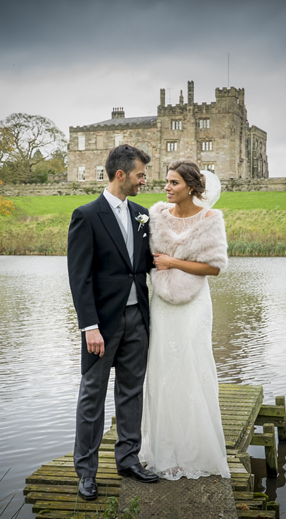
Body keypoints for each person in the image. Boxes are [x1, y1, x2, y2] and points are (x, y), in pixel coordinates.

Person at [67, 144, 160, 502]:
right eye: (140, 174)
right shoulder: (86, 215)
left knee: (131, 392)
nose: (144, 181)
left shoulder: (141, 215)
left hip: (138, 318)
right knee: (92, 395)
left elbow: (147, 264)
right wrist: (89, 326)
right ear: (121, 175)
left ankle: (128, 459)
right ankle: (86, 472)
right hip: (102, 324)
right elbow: (80, 277)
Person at [140, 159, 230, 480]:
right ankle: (165, 450)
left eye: (173, 183)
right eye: (166, 182)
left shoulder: (210, 219)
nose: (166, 188)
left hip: (194, 305)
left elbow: (214, 267)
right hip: (161, 304)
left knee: (192, 365)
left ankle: (195, 449)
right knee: (163, 367)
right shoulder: (156, 215)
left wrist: (173, 261)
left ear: (191, 186)